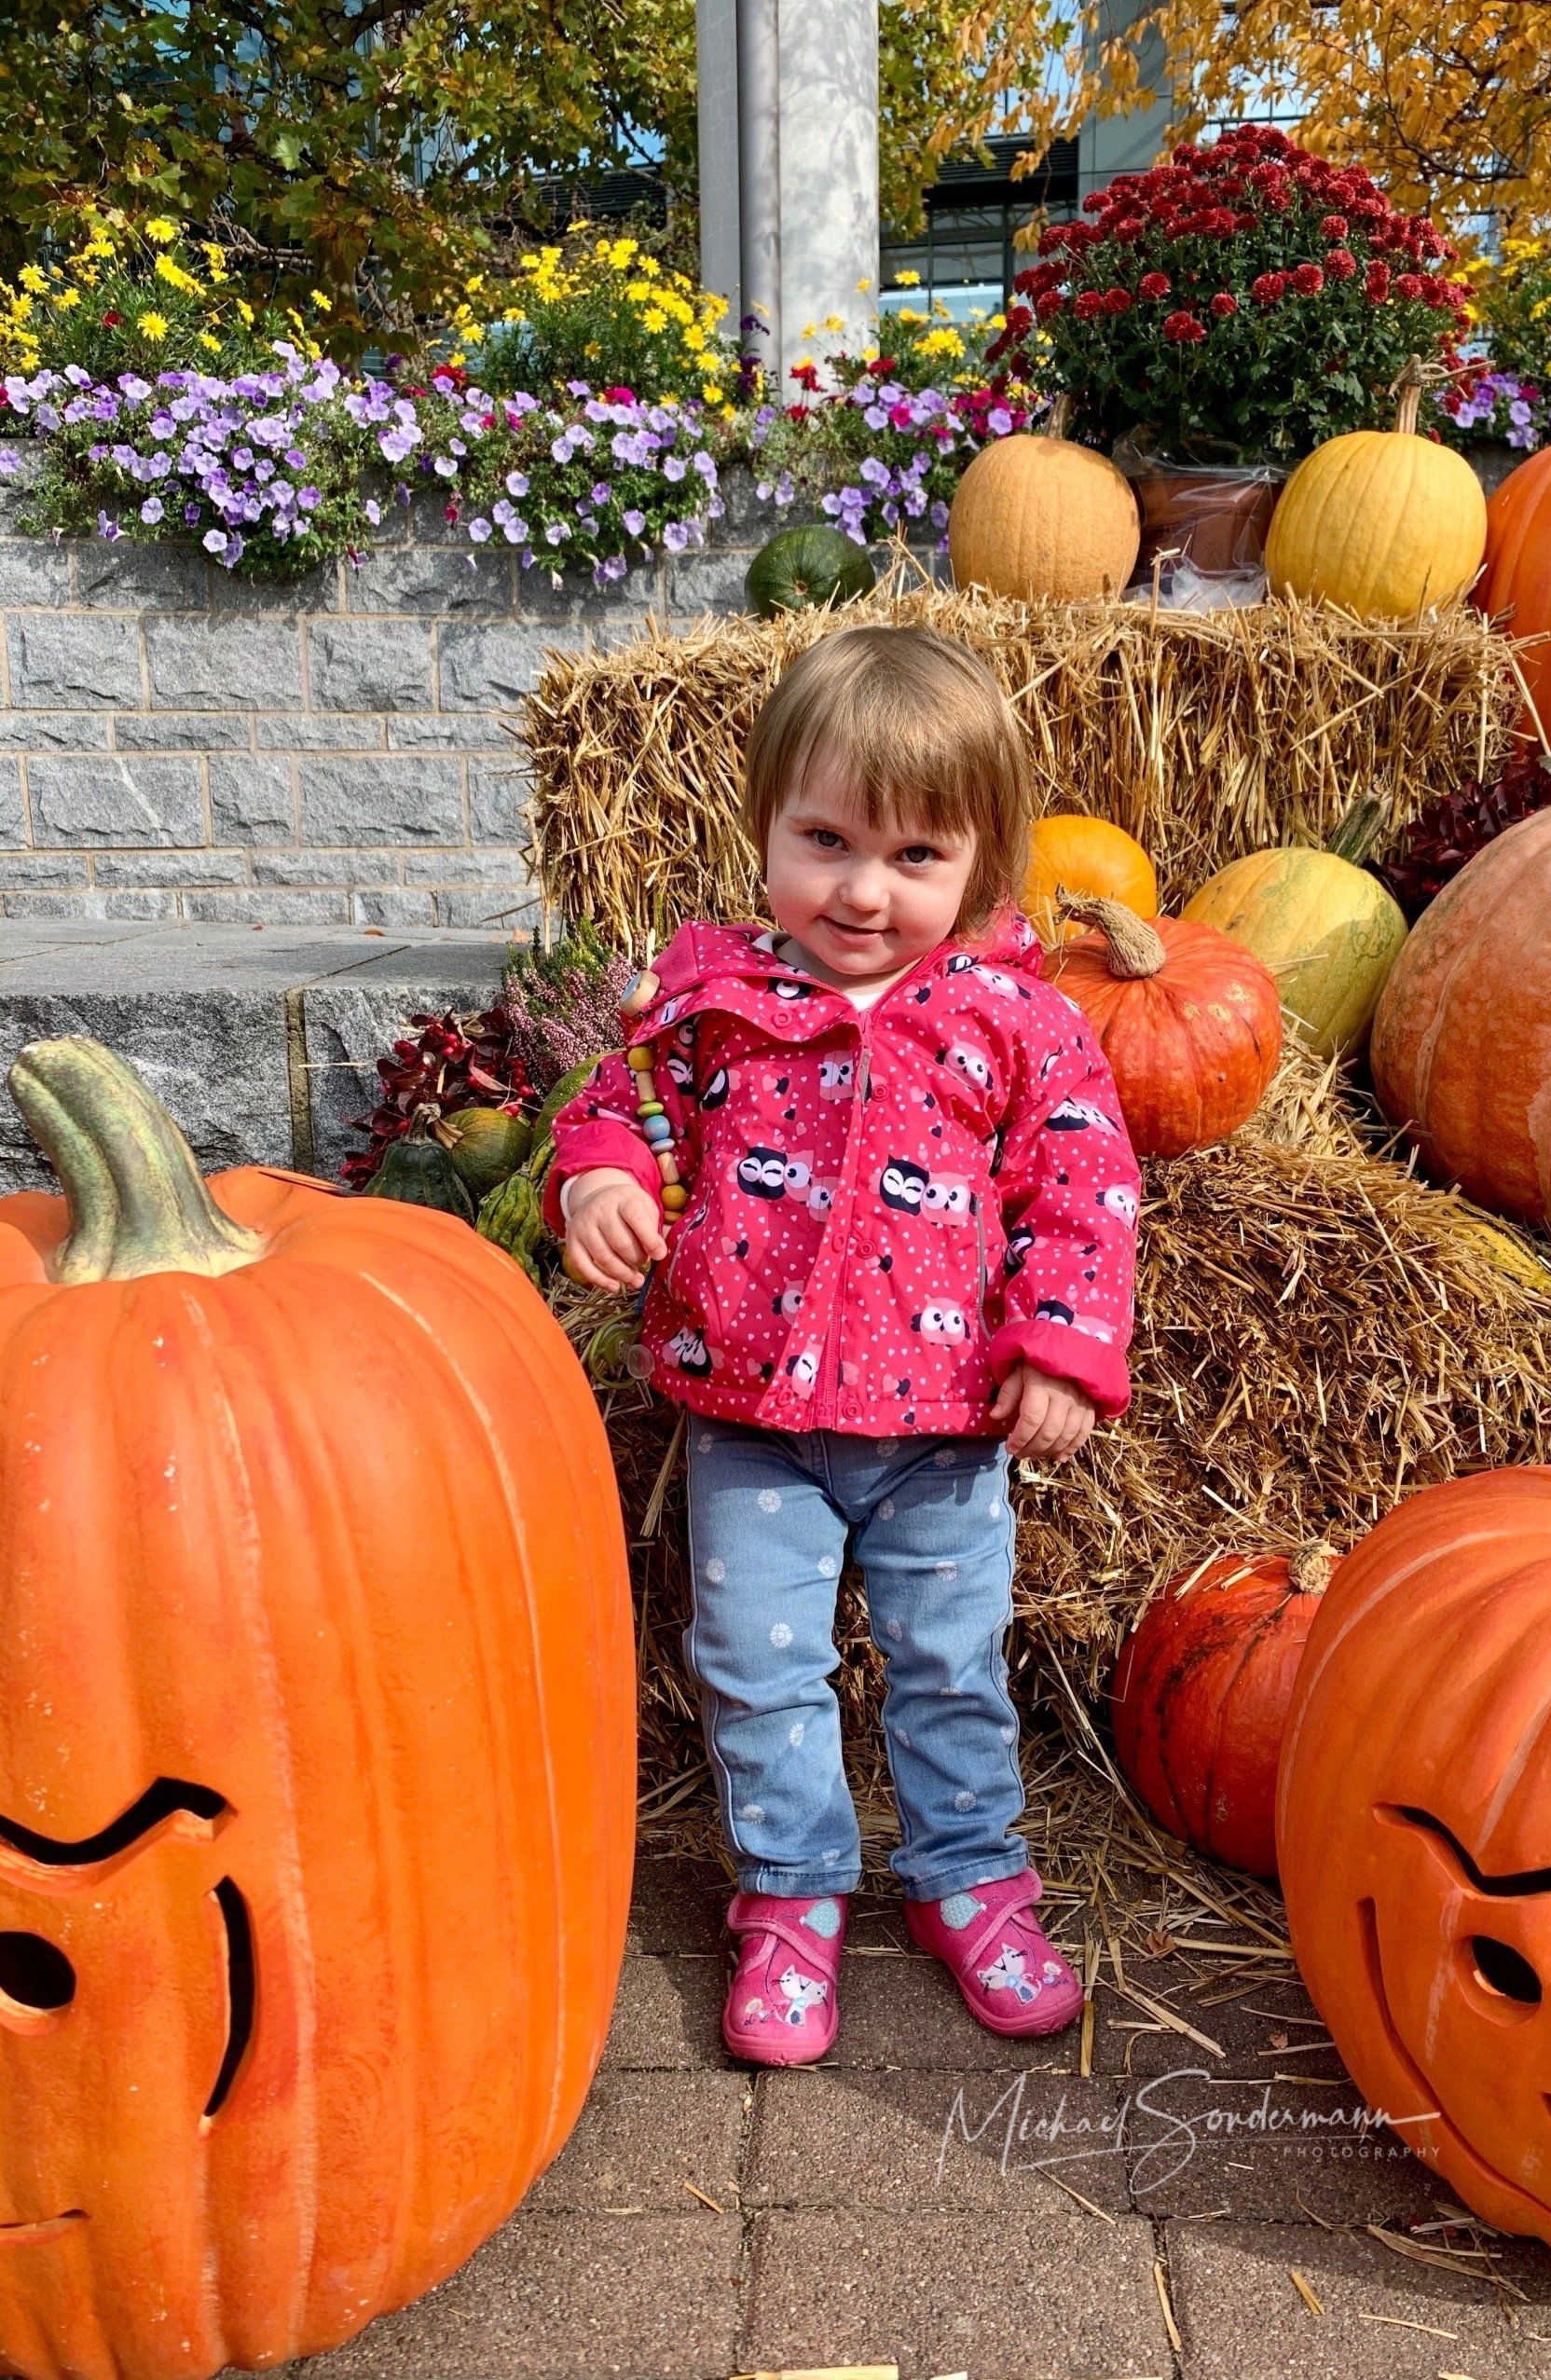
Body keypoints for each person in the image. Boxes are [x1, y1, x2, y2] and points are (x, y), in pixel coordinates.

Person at [544, 623, 1141, 2067]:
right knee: (758, 1664)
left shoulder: (1018, 1021)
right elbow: (617, 1102)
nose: (863, 891)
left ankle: (970, 1878)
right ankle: (794, 1895)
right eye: (825, 841)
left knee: (947, 1661)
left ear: (983, 866)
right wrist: (604, 1175)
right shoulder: (708, 1001)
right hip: (753, 1419)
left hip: (942, 1435)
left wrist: (1060, 1346)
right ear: (764, 830)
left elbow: (1084, 1184)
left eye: (915, 858)